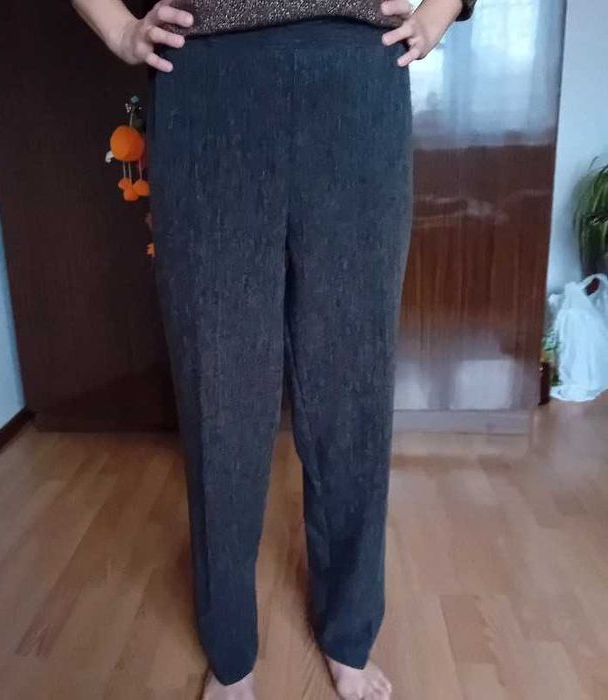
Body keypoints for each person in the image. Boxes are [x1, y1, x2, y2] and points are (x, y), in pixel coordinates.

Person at [72, 1, 476, 698]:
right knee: (220, 391)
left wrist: (443, 9)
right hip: (207, 83)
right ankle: (230, 649)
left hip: (356, 78)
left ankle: (349, 632)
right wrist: (118, 28)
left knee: (352, 387)